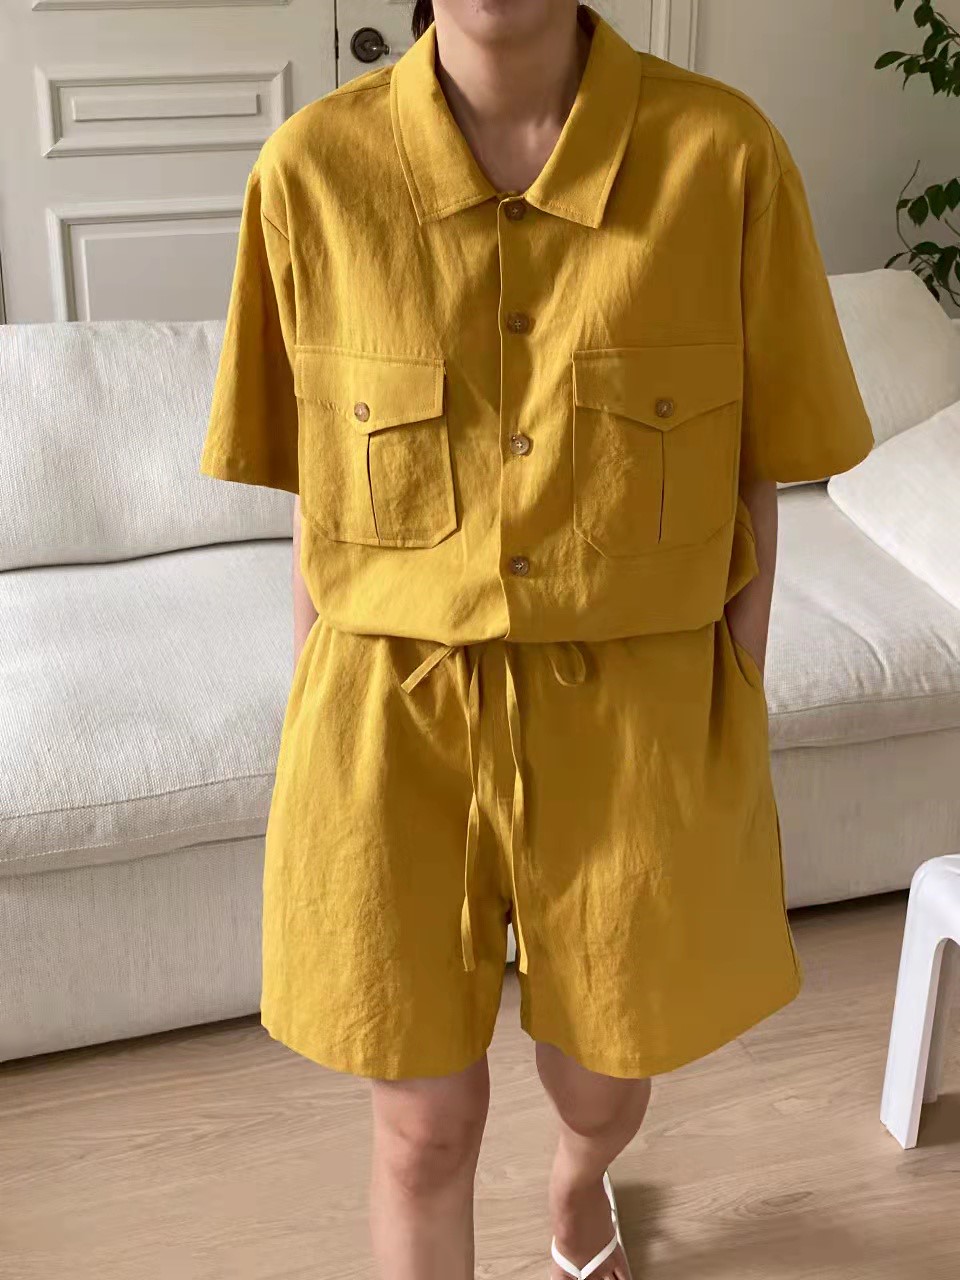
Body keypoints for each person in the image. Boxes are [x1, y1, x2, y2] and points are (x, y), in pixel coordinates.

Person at [198, 2, 874, 1277]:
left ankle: (580, 1181)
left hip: (637, 725)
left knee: (602, 1081)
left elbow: (759, 467)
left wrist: (733, 698)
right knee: (422, 1125)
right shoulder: (310, 171)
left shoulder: (723, 157)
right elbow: (314, 498)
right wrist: (313, 720)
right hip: (391, 721)